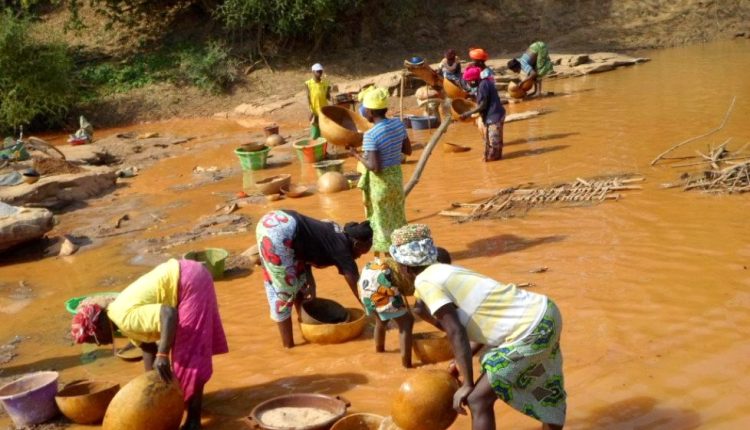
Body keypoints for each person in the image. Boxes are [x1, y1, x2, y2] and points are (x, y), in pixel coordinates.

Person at [389, 224, 566, 430]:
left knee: (477, 400)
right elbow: (480, 325)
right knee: (542, 380)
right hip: (545, 313)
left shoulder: (425, 281)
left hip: (529, 330)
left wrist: (467, 383)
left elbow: (456, 331)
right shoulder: (448, 271)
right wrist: (460, 362)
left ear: (404, 266)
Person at [70, 259, 228, 430]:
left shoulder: (124, 318)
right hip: (187, 276)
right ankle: (191, 404)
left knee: (187, 357)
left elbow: (168, 314)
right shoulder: (118, 317)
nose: (99, 345)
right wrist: (150, 386)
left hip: (189, 281)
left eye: (94, 340)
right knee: (182, 354)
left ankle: (193, 421)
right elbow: (148, 347)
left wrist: (162, 355)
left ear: (98, 328)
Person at [256, 209, 373, 348]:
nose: (360, 256)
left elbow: (308, 248)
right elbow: (358, 287)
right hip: (279, 232)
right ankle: (288, 347)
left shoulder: (338, 234)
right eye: (364, 251)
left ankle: (307, 330)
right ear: (358, 244)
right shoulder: (343, 250)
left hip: (280, 221)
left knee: (300, 285)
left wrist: (311, 282)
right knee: (284, 293)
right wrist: (373, 313)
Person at [357, 247, 452, 368]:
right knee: (407, 321)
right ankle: (407, 366)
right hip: (381, 281)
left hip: (369, 273)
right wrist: (441, 325)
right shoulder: (424, 275)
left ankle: (379, 353)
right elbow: (419, 309)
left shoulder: (414, 261)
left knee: (381, 320)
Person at [348, 87, 412, 255]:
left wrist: (356, 154)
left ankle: (387, 259)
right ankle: (402, 254)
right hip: (396, 180)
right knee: (397, 218)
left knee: (381, 223)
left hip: (381, 184)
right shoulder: (398, 124)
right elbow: (408, 150)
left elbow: (374, 167)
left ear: (369, 111)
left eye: (365, 109)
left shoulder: (371, 135)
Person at [459, 66, 506, 162]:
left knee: (493, 146)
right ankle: (496, 160)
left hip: (494, 117)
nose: (468, 84)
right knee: (496, 144)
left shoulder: (483, 86)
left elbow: (482, 106)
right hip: (497, 114)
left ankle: (492, 167)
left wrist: (468, 113)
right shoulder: (485, 82)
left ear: (473, 80)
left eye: (468, 81)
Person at [305, 63, 333, 138]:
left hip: (324, 109)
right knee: (315, 131)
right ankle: (315, 148)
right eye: (318, 71)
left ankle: (324, 149)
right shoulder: (308, 83)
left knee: (325, 131)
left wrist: (332, 98)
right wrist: (310, 110)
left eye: (321, 71)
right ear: (313, 72)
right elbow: (308, 97)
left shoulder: (325, 83)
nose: (320, 73)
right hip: (314, 110)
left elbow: (327, 96)